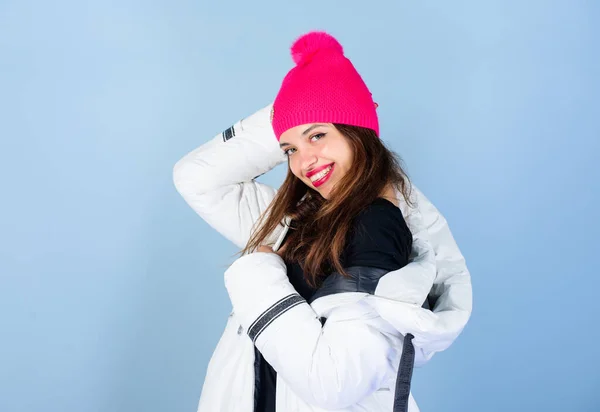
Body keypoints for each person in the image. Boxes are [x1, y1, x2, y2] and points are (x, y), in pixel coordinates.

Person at [173, 31, 472, 412]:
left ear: (356, 132)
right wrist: (296, 105)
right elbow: (196, 176)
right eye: (290, 149)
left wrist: (257, 271)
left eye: (318, 135)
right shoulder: (303, 218)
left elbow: (336, 385)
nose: (303, 161)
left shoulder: (374, 226)